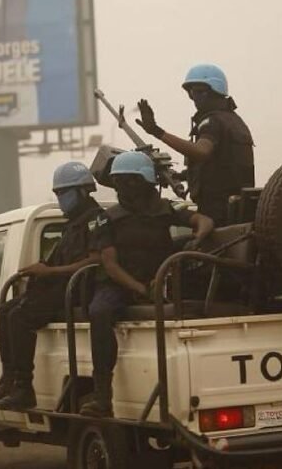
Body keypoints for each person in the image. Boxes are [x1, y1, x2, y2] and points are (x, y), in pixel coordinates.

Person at [81, 152, 214, 417]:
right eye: (119, 182)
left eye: (129, 181)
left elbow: (203, 220)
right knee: (99, 312)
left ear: (145, 182)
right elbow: (110, 265)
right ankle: (102, 394)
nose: (123, 187)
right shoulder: (104, 218)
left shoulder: (165, 208)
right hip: (119, 286)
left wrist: (199, 235)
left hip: (160, 279)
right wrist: (142, 290)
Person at [0, 161, 103, 410]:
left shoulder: (95, 220)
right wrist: (40, 269)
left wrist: (49, 271)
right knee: (5, 311)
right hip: (60, 287)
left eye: (62, 193)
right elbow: (59, 258)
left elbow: (94, 261)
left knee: (20, 317)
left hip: (77, 290)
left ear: (81, 191)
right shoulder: (73, 222)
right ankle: (10, 379)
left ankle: (24, 388)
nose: (59, 199)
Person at [135, 64, 255, 225]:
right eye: (191, 93)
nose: (195, 97)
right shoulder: (234, 121)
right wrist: (181, 176)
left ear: (215, 91)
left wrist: (157, 131)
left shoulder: (212, 121)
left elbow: (201, 152)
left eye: (200, 92)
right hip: (237, 210)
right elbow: (223, 166)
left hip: (218, 212)